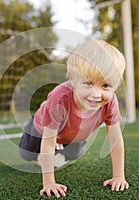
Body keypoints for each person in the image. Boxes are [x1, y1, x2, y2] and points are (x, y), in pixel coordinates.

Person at [19, 39, 129, 198]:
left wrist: (118, 176)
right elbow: (48, 141)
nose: (96, 95)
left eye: (105, 86)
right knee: (26, 154)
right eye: (88, 83)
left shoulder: (110, 103)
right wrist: (49, 182)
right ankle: (45, 112)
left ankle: (58, 154)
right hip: (44, 128)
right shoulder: (60, 98)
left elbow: (115, 140)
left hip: (73, 132)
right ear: (72, 78)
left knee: (75, 154)